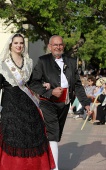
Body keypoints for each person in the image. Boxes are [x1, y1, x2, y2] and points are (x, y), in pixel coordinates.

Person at [0, 33, 55, 170]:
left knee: (33, 133)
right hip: (9, 104)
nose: (19, 45)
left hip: (27, 103)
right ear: (10, 45)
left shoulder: (28, 62)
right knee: (12, 134)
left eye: (21, 43)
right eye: (16, 43)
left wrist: (43, 85)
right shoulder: (2, 65)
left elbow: (30, 83)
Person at [29, 35, 91, 170]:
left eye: (60, 45)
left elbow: (78, 85)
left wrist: (85, 103)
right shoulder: (42, 61)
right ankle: (54, 167)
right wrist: (50, 92)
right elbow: (33, 82)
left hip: (65, 103)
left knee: (56, 135)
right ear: (50, 47)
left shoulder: (71, 61)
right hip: (48, 102)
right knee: (53, 133)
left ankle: (42, 160)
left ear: (63, 46)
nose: (58, 47)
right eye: (55, 45)